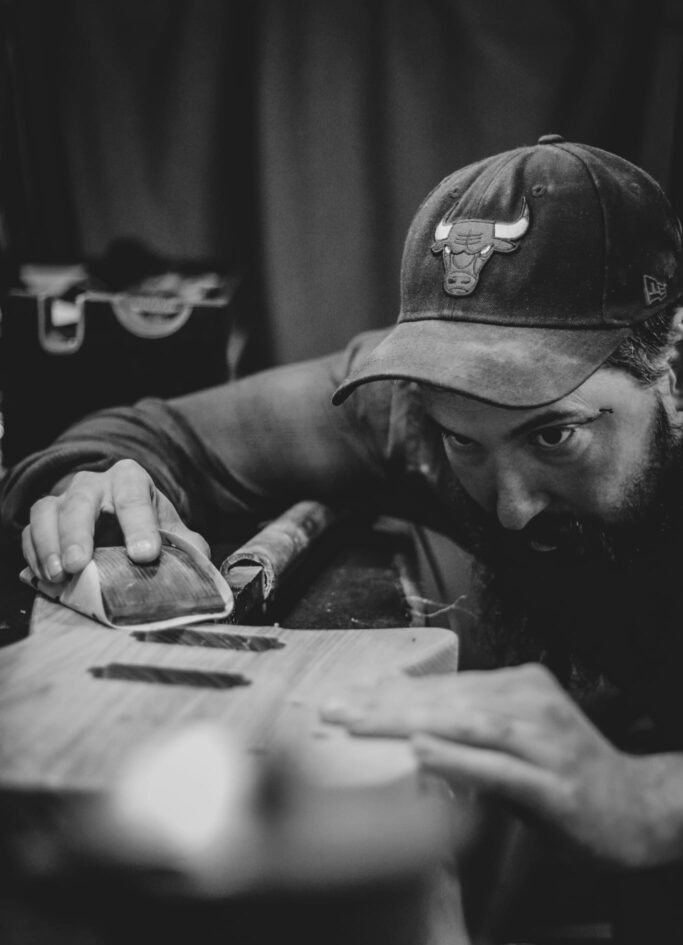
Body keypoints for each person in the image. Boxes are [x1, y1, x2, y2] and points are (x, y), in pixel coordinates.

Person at [3, 134, 683, 872]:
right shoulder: (409, 410)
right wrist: (95, 479)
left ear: (670, 369)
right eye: (465, 443)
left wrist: (649, 793)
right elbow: (154, 434)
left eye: (553, 436)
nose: (510, 509)